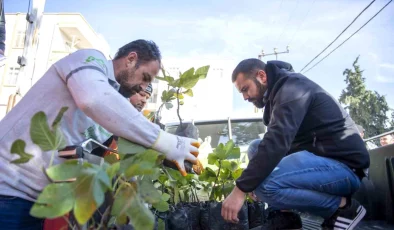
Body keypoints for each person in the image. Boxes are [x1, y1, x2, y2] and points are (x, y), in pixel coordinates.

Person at [0, 39, 199, 229]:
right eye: (145, 77)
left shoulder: (113, 113)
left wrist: (163, 157)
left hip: (37, 202)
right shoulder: (90, 60)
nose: (142, 86)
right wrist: (167, 142)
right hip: (7, 189)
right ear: (130, 59)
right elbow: (93, 99)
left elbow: (108, 155)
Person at [221, 59, 370, 230]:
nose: (245, 97)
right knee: (256, 147)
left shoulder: (293, 88)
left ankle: (344, 208)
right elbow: (276, 145)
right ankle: (284, 216)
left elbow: (276, 142)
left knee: (263, 184)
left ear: (261, 76)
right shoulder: (279, 95)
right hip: (321, 162)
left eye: (245, 89)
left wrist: (240, 190)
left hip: (345, 169)